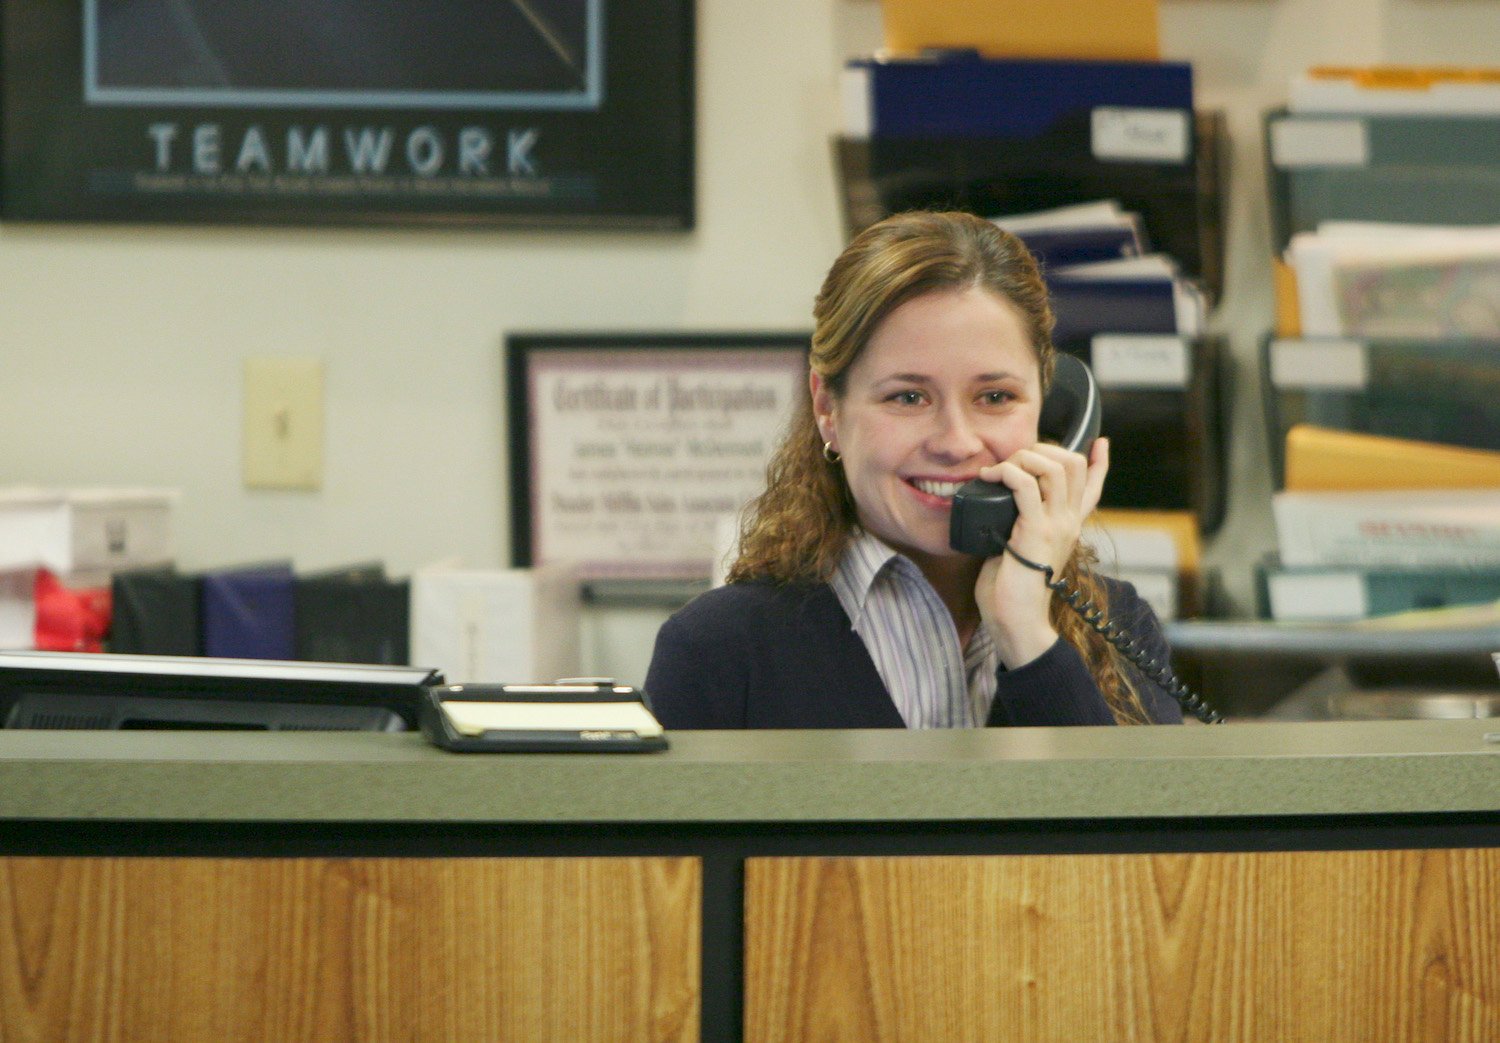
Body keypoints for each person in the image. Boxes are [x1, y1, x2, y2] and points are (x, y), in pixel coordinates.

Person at [645, 210, 1184, 728]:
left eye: (995, 396)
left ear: (1051, 409)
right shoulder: (719, 648)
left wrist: (1027, 635)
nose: (956, 442)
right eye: (907, 397)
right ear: (827, 409)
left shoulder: (1117, 627)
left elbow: (1111, 823)